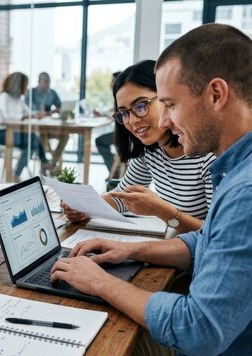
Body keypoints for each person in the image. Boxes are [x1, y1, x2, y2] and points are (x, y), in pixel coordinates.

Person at [52, 23, 252, 356]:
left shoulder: (244, 192)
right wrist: (129, 249)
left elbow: (199, 328)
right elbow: (207, 241)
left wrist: (101, 282)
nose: (163, 122)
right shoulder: (234, 169)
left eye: (170, 104)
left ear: (217, 94)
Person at [62, 60, 214, 234]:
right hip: (175, 246)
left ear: (167, 98)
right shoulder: (150, 150)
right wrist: (83, 208)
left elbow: (215, 234)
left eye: (141, 106)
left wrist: (161, 210)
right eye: (124, 113)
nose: (133, 121)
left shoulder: (207, 154)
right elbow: (122, 198)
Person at [0, 72, 49, 180]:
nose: (26, 87)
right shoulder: (4, 97)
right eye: (25, 84)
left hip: (13, 133)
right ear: (18, 85)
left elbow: (28, 112)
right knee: (33, 140)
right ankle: (44, 162)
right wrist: (27, 116)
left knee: (32, 143)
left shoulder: (18, 99)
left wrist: (36, 114)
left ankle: (16, 174)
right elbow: (9, 117)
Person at [95, 71, 122, 172]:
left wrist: (110, 116)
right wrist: (102, 113)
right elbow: (112, 110)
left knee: (100, 141)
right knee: (101, 141)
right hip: (120, 133)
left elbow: (117, 113)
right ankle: (114, 170)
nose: (110, 83)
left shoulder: (120, 94)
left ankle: (113, 171)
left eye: (112, 81)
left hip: (122, 135)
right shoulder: (118, 94)